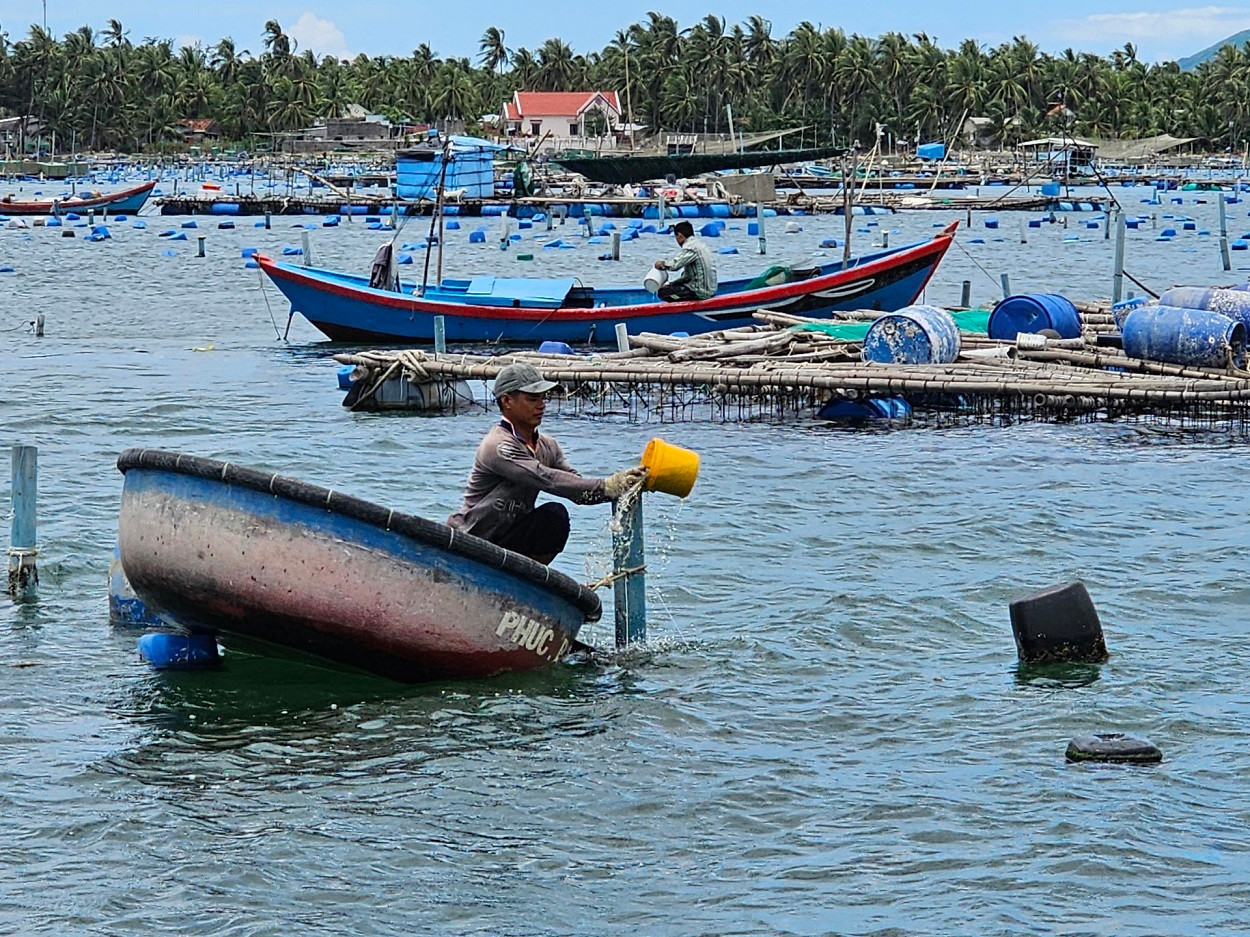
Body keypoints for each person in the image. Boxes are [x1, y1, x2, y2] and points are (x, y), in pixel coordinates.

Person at [448, 363, 647, 565]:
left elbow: (576, 488)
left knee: (554, 516)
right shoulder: (498, 446)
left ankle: (526, 575)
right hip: (473, 539)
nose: (541, 405)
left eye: (543, 398)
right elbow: (546, 478)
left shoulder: (548, 446)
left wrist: (627, 484)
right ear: (507, 401)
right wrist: (606, 485)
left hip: (510, 537)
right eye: (532, 399)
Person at [654, 220, 718, 302]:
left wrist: (661, 264)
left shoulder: (690, 247)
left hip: (700, 292)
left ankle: (680, 305)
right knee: (673, 285)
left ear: (679, 235)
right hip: (710, 290)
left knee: (663, 293)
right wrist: (671, 284)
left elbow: (675, 265)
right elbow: (687, 277)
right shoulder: (700, 245)